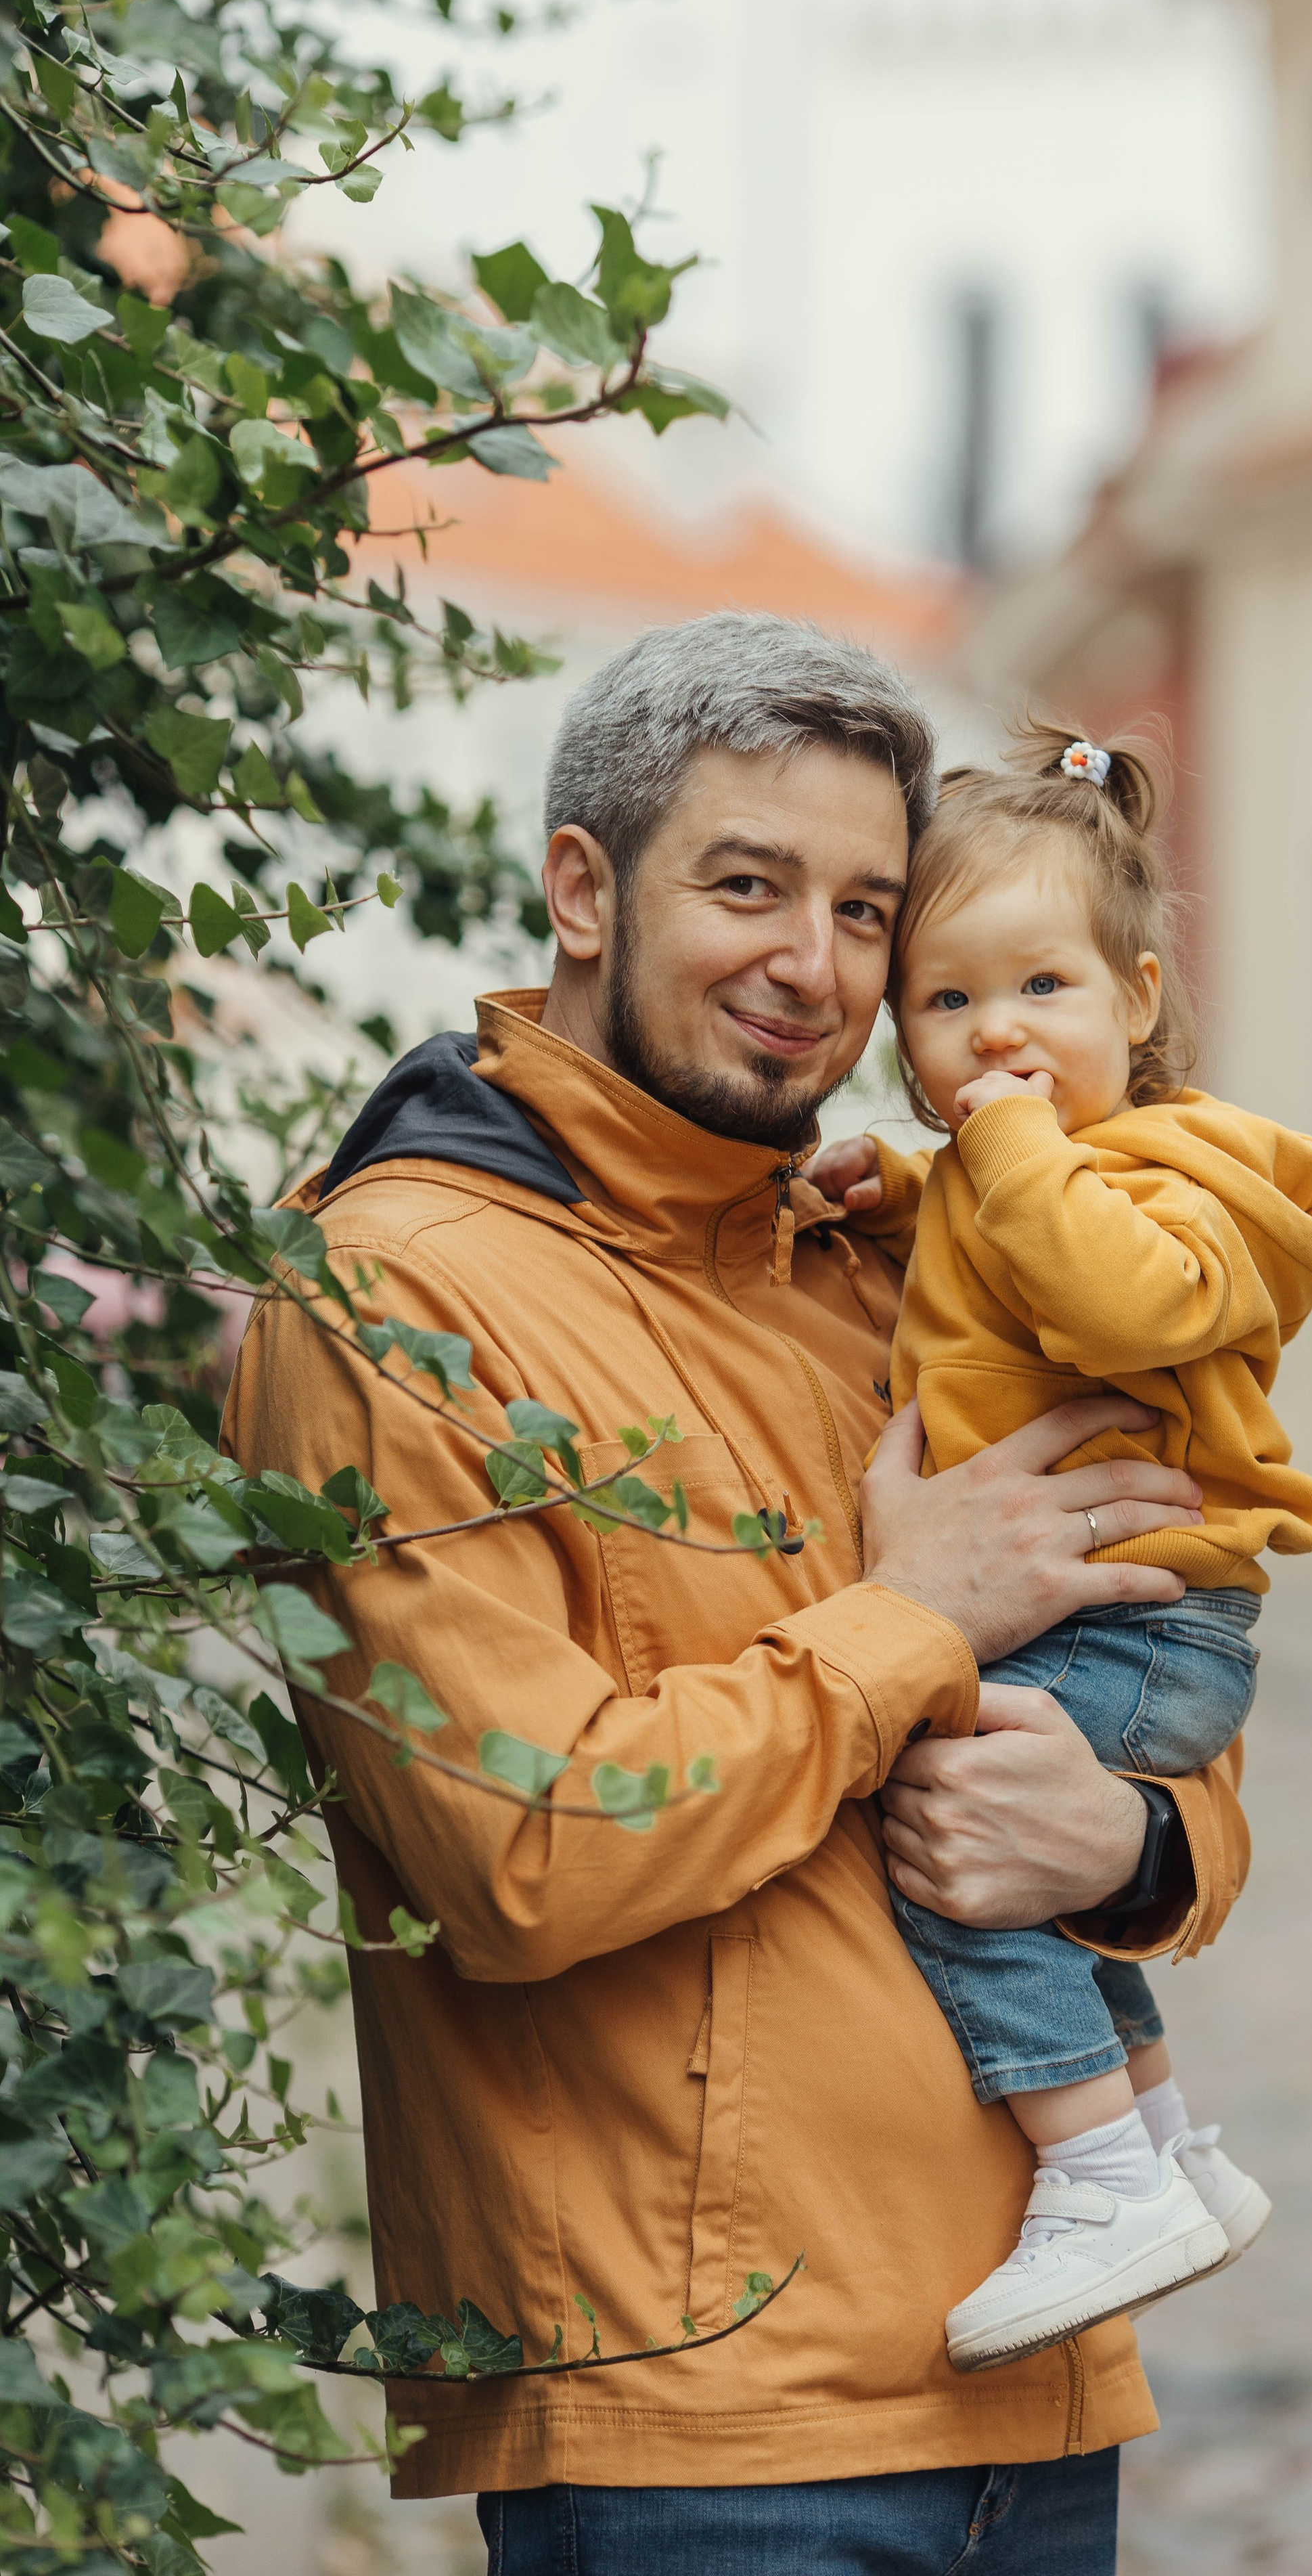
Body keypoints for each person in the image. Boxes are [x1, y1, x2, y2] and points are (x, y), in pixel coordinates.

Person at [222, 616, 1254, 2576]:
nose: (817, 967)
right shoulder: (396, 1295)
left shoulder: (892, 1269)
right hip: (702, 2430)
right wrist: (909, 1618)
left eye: (870, 912)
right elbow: (519, 1850)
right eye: (749, 885)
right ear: (585, 888)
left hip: (1033, 2381)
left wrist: (1127, 1841)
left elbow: (1163, 1706)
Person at [809, 725, 1312, 2374]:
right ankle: (1172, 2143)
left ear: (1134, 998)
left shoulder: (1193, 1177)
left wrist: (983, 1151)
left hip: (1142, 1628)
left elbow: (1117, 1290)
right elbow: (1006, 1260)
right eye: (946, 1001)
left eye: (1040, 988)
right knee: (1035, 1892)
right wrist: (902, 1192)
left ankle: (1097, 2174)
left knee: (951, 1849)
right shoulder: (1014, 1169)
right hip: (1114, 1621)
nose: (997, 1038)